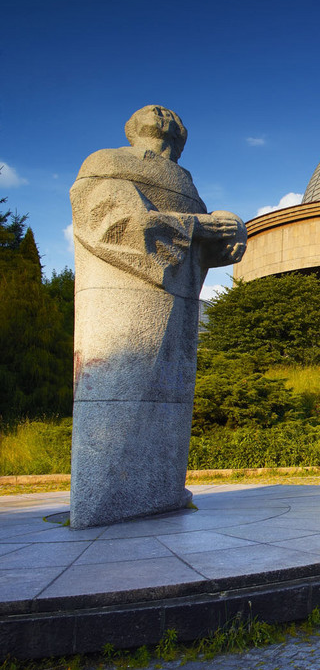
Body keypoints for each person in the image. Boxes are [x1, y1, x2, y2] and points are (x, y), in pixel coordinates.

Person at [69, 105, 246, 529]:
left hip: (178, 299)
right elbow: (110, 223)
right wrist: (196, 226)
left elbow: (201, 243)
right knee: (121, 382)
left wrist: (229, 231)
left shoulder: (185, 182)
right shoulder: (107, 162)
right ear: (131, 130)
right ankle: (103, 502)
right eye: (151, 113)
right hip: (124, 296)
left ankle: (160, 491)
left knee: (168, 392)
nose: (162, 113)